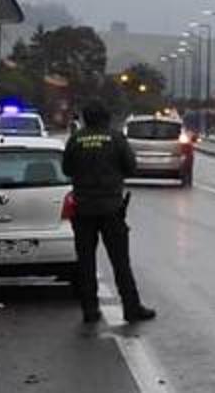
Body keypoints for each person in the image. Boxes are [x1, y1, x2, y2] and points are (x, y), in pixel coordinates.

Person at [61, 101, 156, 324]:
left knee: (86, 262)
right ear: (106, 118)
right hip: (111, 208)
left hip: (83, 209)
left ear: (84, 118)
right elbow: (132, 167)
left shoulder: (75, 140)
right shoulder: (115, 139)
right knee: (120, 261)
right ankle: (131, 309)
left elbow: (66, 169)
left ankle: (90, 310)